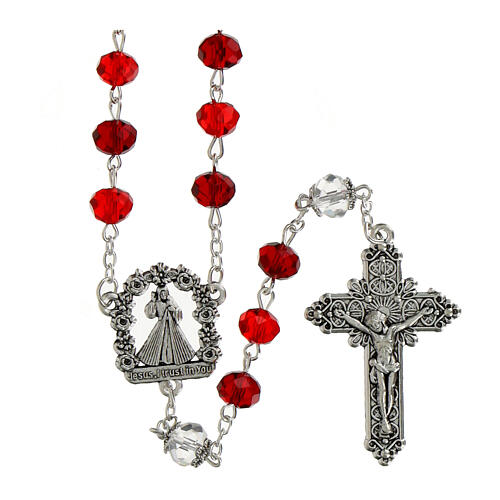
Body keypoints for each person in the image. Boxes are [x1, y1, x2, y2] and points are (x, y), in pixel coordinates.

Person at [335, 306, 433, 434]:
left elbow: (406, 324)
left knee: (391, 389)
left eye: (375, 324)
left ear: (381, 321)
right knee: (382, 390)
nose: (373, 327)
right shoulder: (373, 335)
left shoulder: (392, 330)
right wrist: (345, 316)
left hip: (391, 364)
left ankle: (386, 418)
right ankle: (384, 419)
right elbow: (359, 325)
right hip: (380, 365)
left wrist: (421, 313)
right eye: (371, 326)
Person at [137, 287, 196, 366]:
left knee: (173, 342)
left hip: (172, 325)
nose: (163, 295)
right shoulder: (157, 303)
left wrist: (174, 310)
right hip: (160, 325)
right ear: (158, 294)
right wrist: (152, 301)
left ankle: (173, 359)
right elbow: (150, 314)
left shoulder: (171, 301)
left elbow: (178, 311)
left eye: (165, 293)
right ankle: (160, 359)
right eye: (161, 293)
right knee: (158, 343)